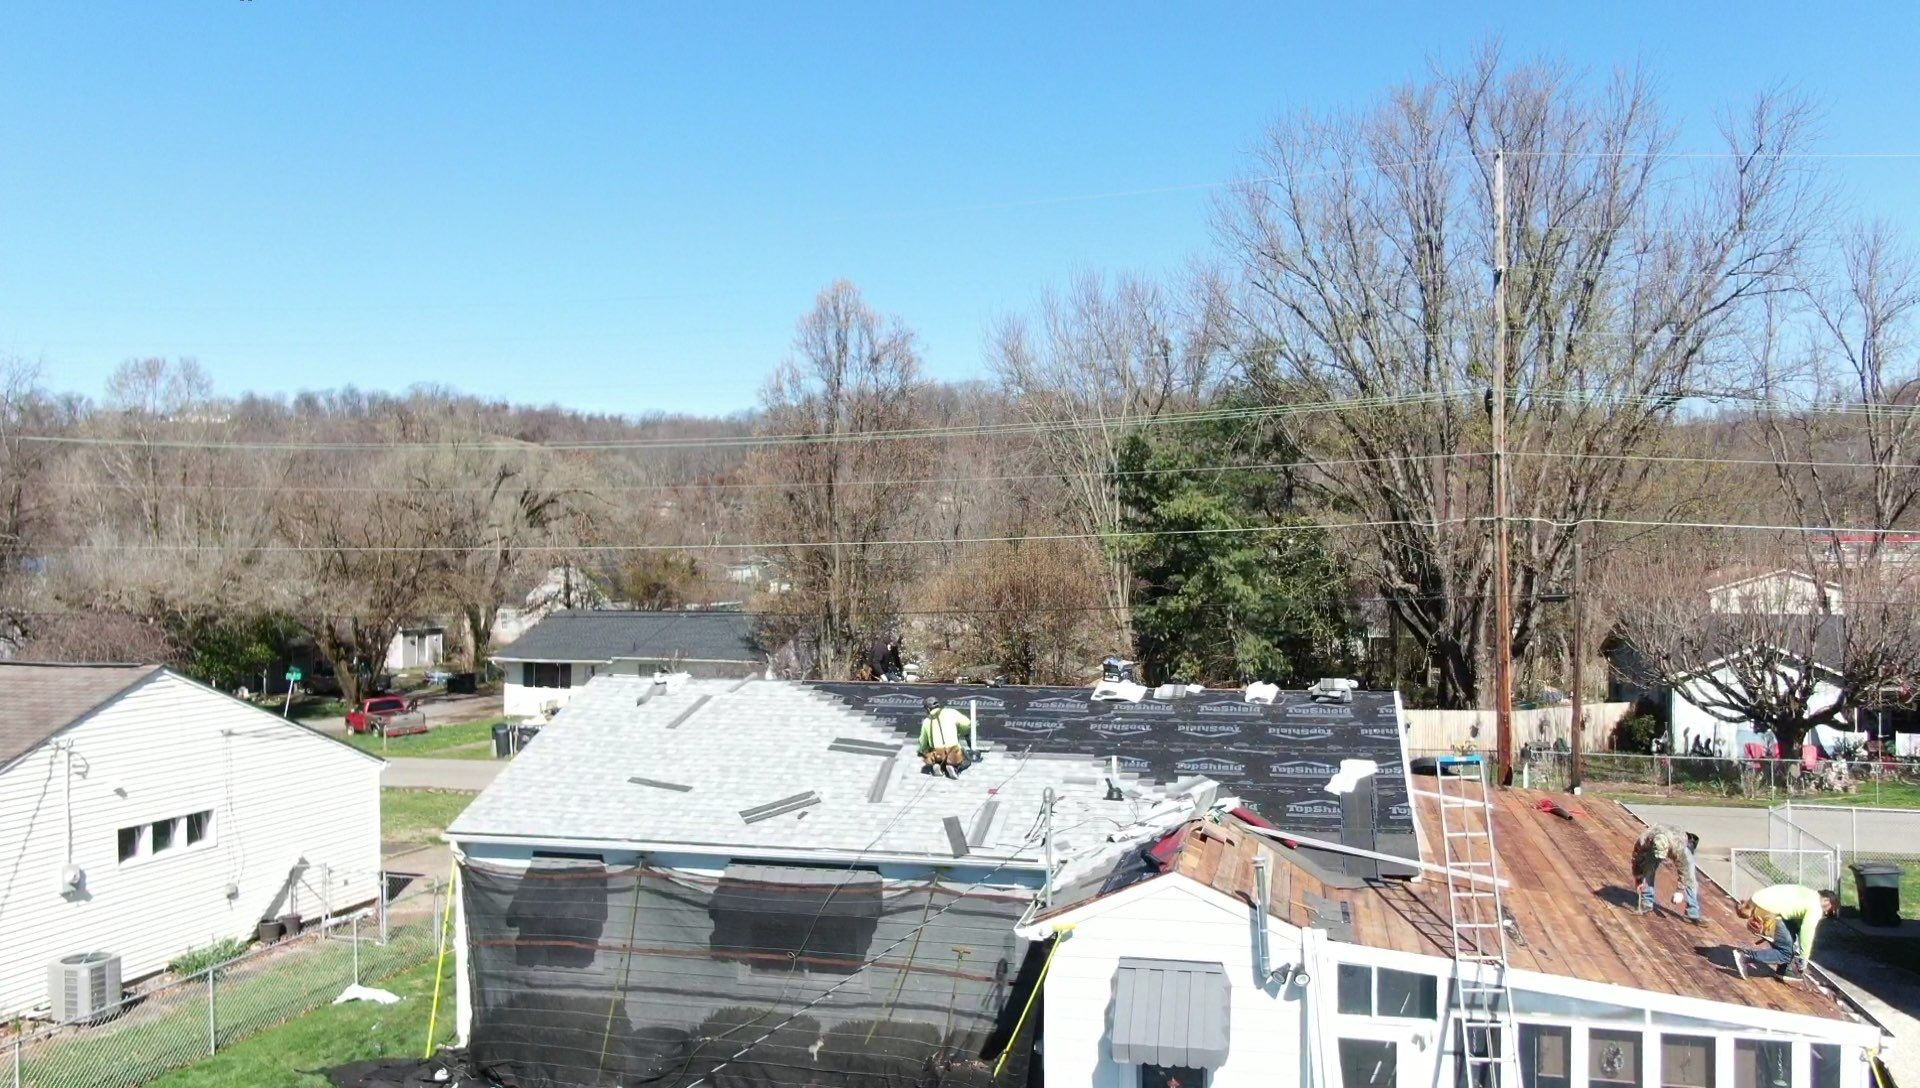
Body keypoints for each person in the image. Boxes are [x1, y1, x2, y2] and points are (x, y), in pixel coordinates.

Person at [1735, 885, 1839, 981]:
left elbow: (1796, 924)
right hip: (1770, 912)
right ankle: (1746, 956)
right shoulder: (1816, 907)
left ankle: (1782, 971)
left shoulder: (1808, 893)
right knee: (1786, 954)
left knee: (1788, 939)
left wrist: (1797, 944)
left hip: (1757, 900)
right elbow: (1807, 931)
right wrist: (1804, 958)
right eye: (1829, 911)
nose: (1826, 913)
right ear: (1826, 900)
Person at [1631, 825, 1703, 924]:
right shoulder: (1644, 840)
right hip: (1653, 846)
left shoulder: (1677, 845)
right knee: (1648, 869)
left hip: (1677, 844)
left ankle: (1692, 911)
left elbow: (1684, 870)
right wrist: (1638, 877)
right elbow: (1637, 858)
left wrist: (1680, 891)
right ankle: (1646, 903)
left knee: (1690, 876)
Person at [917, 696, 974, 778]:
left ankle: (937, 765)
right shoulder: (951, 712)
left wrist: (921, 751)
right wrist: (961, 732)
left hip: (937, 752)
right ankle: (954, 768)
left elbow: (923, 741)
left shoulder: (926, 721)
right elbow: (967, 723)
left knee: (932, 754)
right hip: (953, 750)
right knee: (966, 761)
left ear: (928, 709)